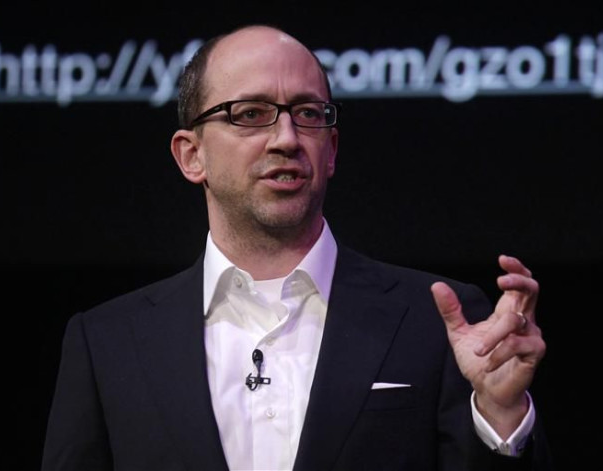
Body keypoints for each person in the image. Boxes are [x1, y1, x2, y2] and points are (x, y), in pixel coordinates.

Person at [41, 24, 553, 471]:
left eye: (308, 113)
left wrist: (501, 416)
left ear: (330, 151)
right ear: (191, 155)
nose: (286, 137)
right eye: (251, 113)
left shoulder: (437, 321)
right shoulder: (107, 343)